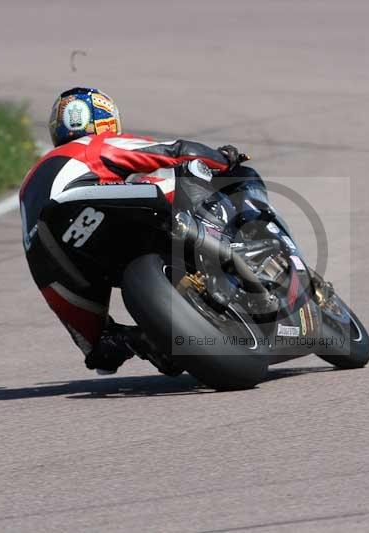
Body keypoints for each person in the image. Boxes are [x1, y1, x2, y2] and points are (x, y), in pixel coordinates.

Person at [19, 87, 270, 375]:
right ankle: (225, 242)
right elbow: (174, 151)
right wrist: (223, 158)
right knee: (191, 175)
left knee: (102, 350)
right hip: (93, 205)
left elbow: (36, 236)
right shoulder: (95, 145)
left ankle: (145, 339)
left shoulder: (30, 179)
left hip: (48, 254)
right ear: (106, 120)